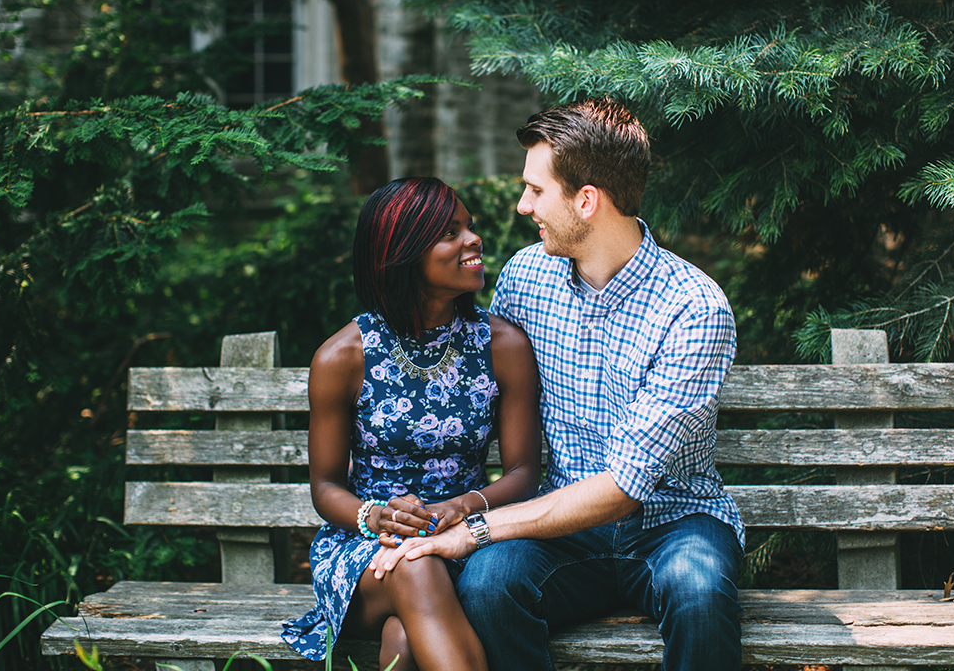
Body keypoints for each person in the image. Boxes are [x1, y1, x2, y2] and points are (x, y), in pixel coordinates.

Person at [371, 97, 744, 671]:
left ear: (586, 200)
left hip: (672, 523)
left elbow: (625, 486)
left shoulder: (693, 307)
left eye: (536, 190)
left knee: (700, 591)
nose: (523, 206)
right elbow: (464, 383)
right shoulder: (525, 277)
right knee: (490, 586)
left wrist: (476, 529)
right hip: (564, 531)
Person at [281, 177, 541, 671]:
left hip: (465, 538)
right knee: (415, 566)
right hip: (366, 550)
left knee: (403, 640)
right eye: (450, 232)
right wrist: (374, 516)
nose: (473, 240)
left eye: (469, 226)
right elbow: (326, 485)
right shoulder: (343, 356)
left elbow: (524, 471)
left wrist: (464, 506)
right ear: (402, 255)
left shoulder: (502, 346)